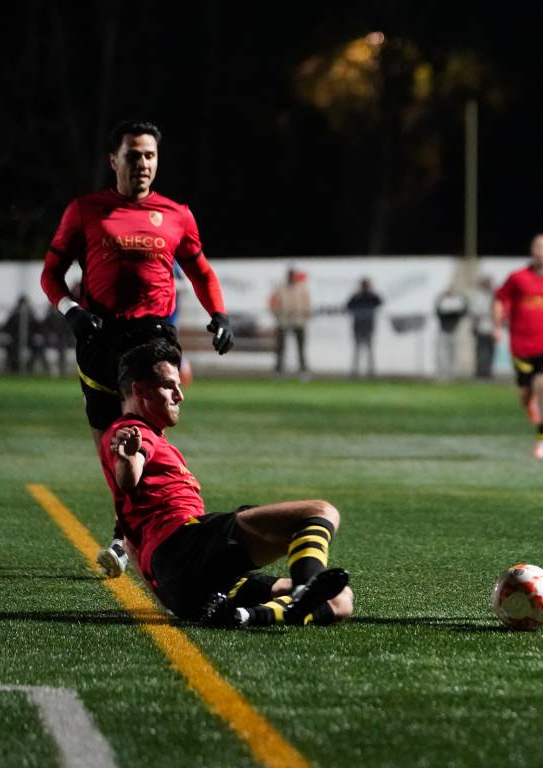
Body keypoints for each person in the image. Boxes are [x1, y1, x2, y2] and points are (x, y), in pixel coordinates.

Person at [40, 119, 235, 579]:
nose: (143, 164)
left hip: (153, 338)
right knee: (111, 443)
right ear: (114, 160)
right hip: (99, 337)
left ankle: (128, 536)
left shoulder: (176, 214)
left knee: (142, 432)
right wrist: (70, 310)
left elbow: (201, 271)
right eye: (133, 155)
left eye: (150, 156)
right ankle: (128, 528)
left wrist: (219, 315)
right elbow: (51, 273)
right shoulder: (86, 210)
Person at [101, 339, 353, 627]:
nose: (179, 395)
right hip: (186, 549)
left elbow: (131, 504)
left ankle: (246, 616)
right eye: (170, 385)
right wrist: (128, 457)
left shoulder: (146, 437)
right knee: (321, 511)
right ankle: (302, 591)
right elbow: (129, 476)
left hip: (187, 589)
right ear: (140, 389)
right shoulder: (133, 431)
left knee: (340, 599)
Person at [493, 234, 543, 459]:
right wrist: (497, 326)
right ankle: (529, 404)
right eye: (538, 246)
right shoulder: (517, 278)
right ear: (532, 250)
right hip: (520, 346)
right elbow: (500, 299)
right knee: (525, 393)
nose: (542, 251)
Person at [270, 269, 312, 377]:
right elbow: (273, 303)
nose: (291, 278)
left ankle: (303, 371)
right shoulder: (280, 289)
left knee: (301, 348)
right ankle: (278, 371)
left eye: (292, 276)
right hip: (283, 320)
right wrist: (277, 315)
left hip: (298, 321)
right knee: (280, 348)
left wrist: (305, 316)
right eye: (289, 276)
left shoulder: (302, 289)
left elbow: (307, 305)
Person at [345, 278, 383, 378]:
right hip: (358, 326)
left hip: (368, 326)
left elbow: (380, 302)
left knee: (369, 351)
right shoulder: (357, 296)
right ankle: (355, 372)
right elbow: (348, 305)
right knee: (357, 351)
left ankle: (371, 372)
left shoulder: (371, 296)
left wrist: (370, 293)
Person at [435, 285, 469, 380]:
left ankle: (451, 374)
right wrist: (450, 313)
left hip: (454, 329)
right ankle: (442, 373)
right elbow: (438, 312)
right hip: (443, 330)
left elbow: (464, 311)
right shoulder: (442, 300)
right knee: (442, 353)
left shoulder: (457, 300)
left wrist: (453, 312)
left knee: (453, 353)